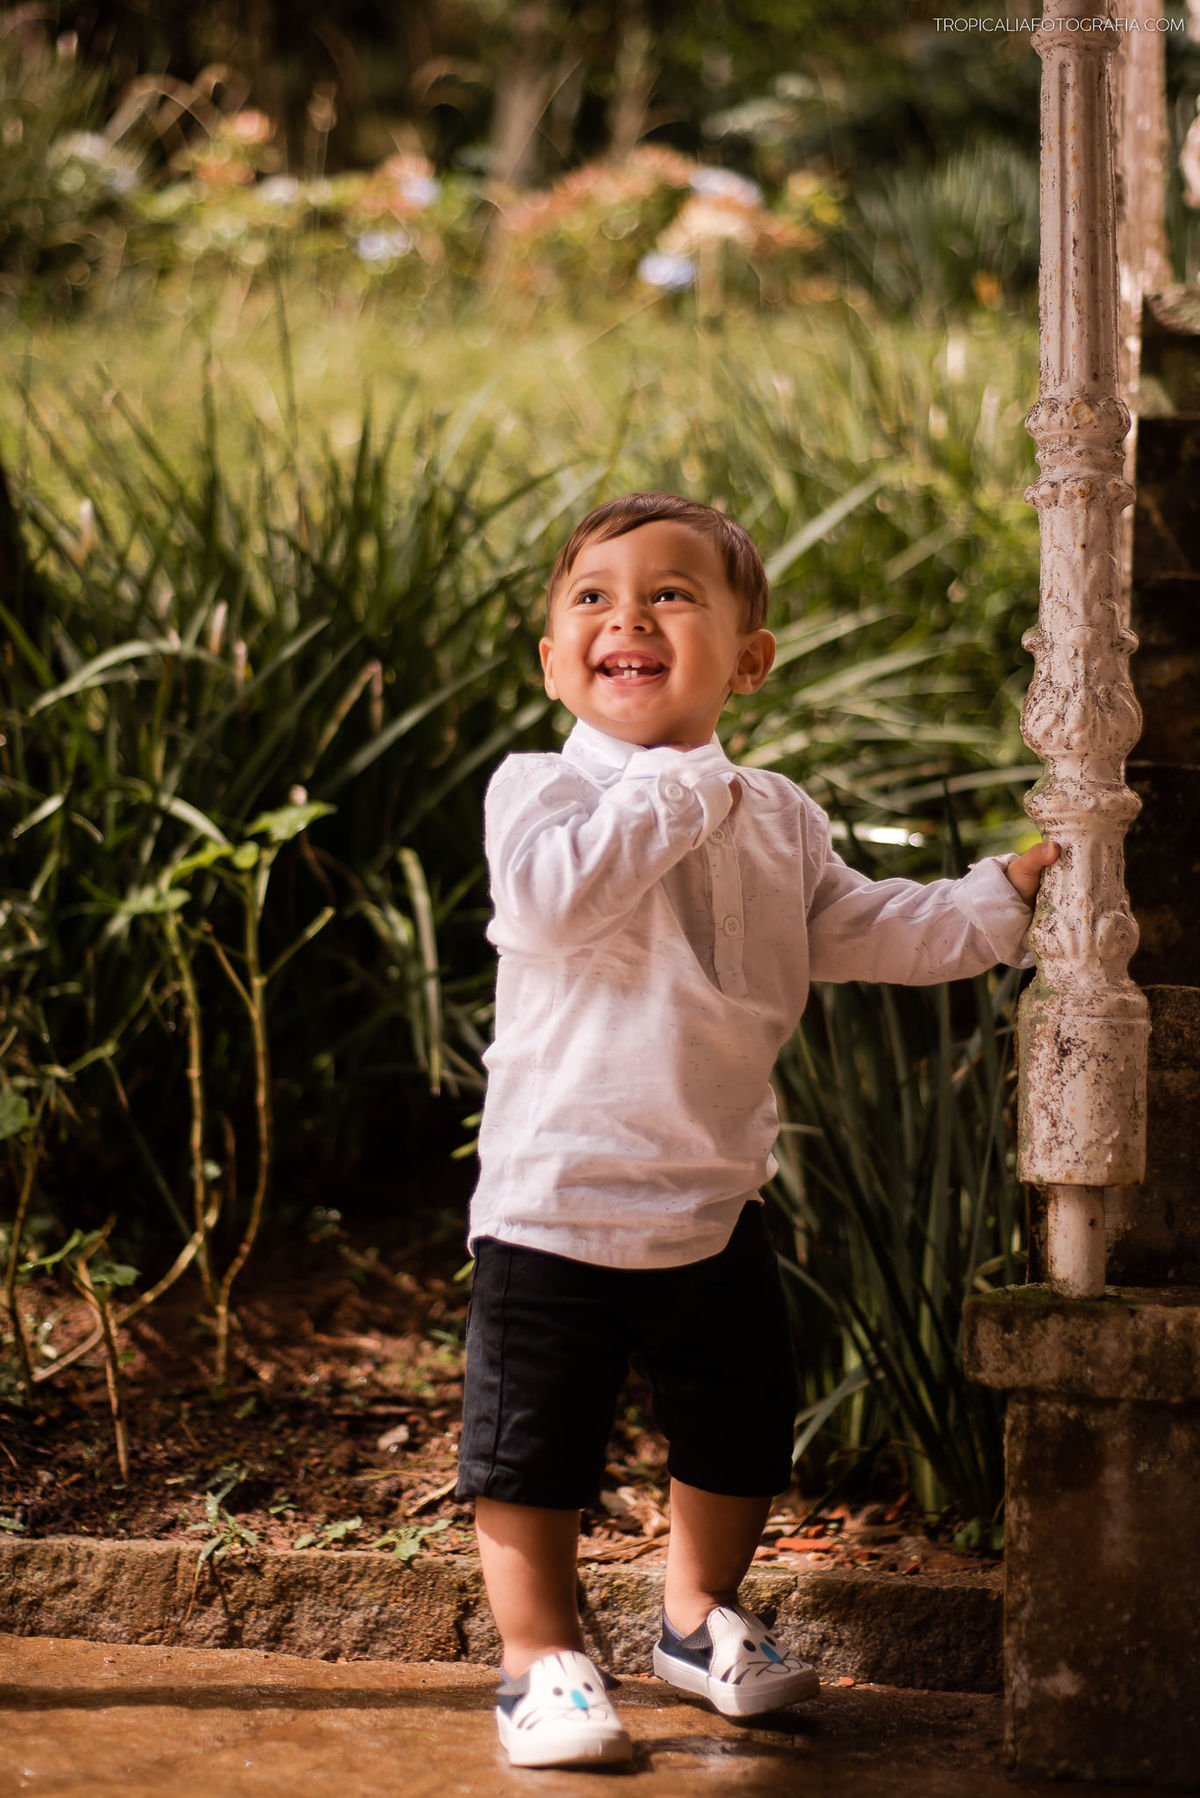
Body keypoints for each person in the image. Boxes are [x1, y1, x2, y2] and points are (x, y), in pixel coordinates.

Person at [455, 491, 1057, 1769]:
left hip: (715, 1201)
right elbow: (552, 907)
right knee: (531, 1446)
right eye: (594, 599)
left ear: (749, 656)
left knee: (738, 1423)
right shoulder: (540, 793)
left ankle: (696, 1615)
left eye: (672, 592)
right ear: (556, 660)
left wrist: (998, 894)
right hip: (555, 1200)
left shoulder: (776, 816)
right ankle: (541, 1657)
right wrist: (679, 786)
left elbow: (866, 927)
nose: (630, 614)